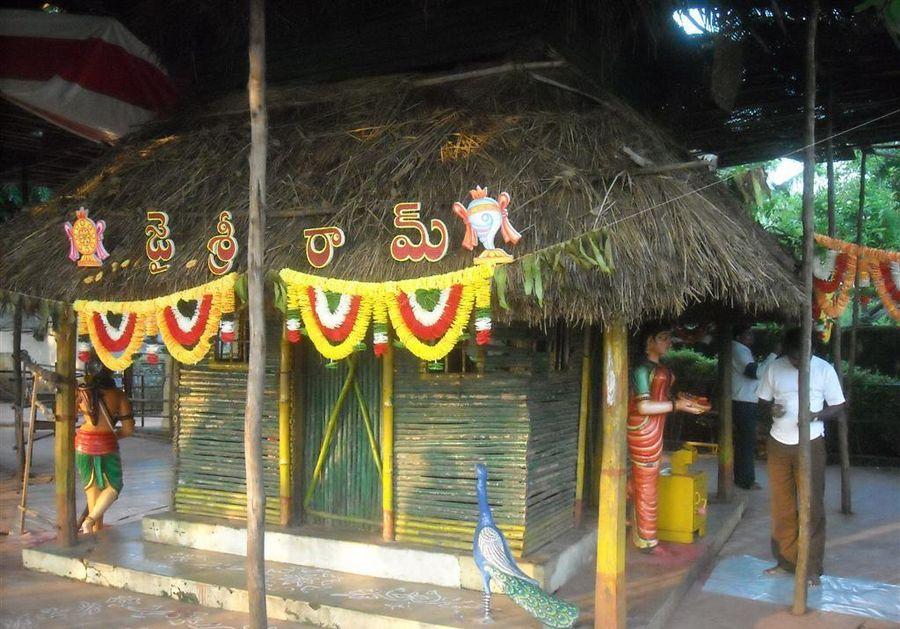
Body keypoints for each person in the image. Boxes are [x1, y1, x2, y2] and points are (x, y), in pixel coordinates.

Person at [757, 327, 845, 585]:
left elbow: (838, 405)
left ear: (812, 350)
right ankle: (786, 561)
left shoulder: (823, 369)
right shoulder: (775, 367)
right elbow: (762, 401)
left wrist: (815, 416)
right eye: (793, 356)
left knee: (812, 505)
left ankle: (812, 567)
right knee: (782, 506)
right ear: (787, 352)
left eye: (802, 356)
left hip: (811, 442)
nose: (797, 361)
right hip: (779, 443)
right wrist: (771, 409)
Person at [627, 323, 709, 552]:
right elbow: (643, 407)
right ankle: (647, 540)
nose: (668, 342)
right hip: (643, 429)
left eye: (669, 338)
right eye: (663, 337)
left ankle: (626, 513)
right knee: (647, 484)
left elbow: (662, 397)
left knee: (645, 480)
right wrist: (676, 405)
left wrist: (684, 400)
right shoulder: (641, 370)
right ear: (648, 341)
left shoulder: (660, 368)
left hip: (655, 427)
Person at [74, 356, 134, 534]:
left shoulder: (80, 392)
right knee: (114, 485)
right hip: (107, 443)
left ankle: (91, 530)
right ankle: (91, 522)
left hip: (83, 443)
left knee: (92, 491)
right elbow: (128, 429)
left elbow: (67, 418)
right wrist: (113, 436)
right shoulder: (119, 396)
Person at [731, 325, 777, 490]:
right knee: (746, 442)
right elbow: (754, 373)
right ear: (739, 336)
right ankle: (746, 480)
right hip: (743, 401)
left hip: (744, 400)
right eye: (748, 334)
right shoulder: (738, 349)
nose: (752, 336)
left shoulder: (740, 349)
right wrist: (773, 355)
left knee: (744, 441)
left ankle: (742, 478)